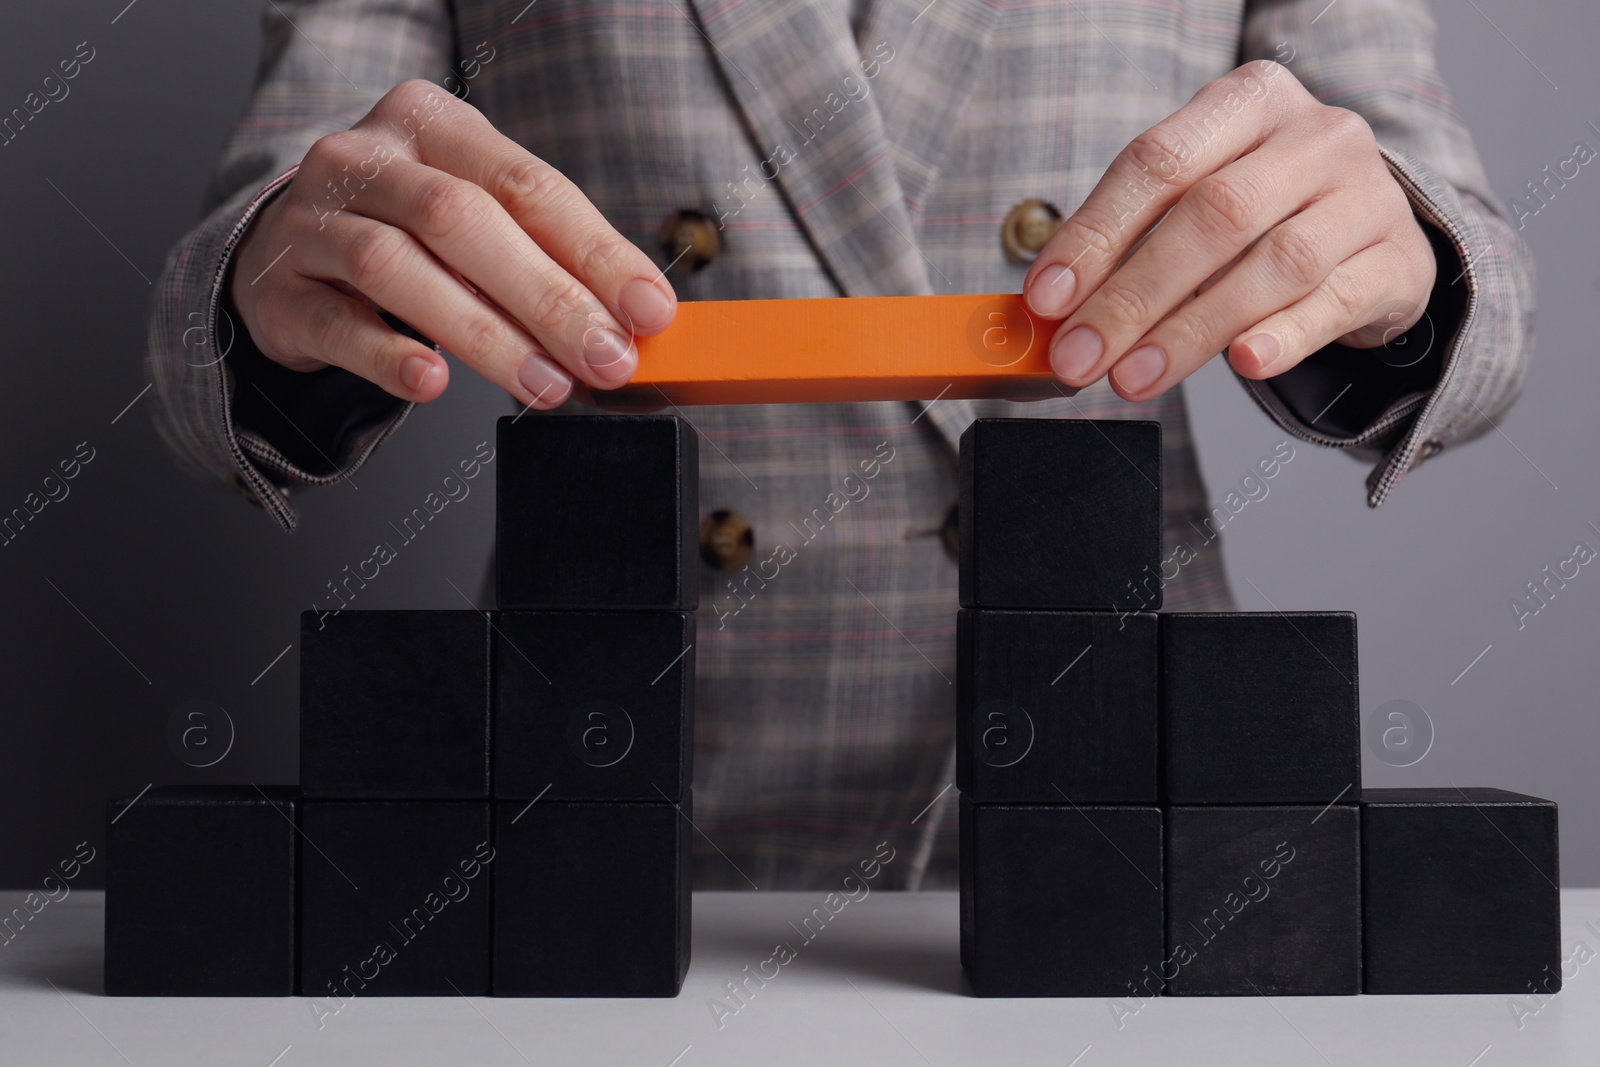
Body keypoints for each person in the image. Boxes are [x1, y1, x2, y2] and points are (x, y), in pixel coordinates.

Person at [146, 0, 1531, 891]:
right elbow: (256, 237)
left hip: (1122, 817)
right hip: (614, 806)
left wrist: (1400, 261)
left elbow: (1474, 274)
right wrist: (275, 279)